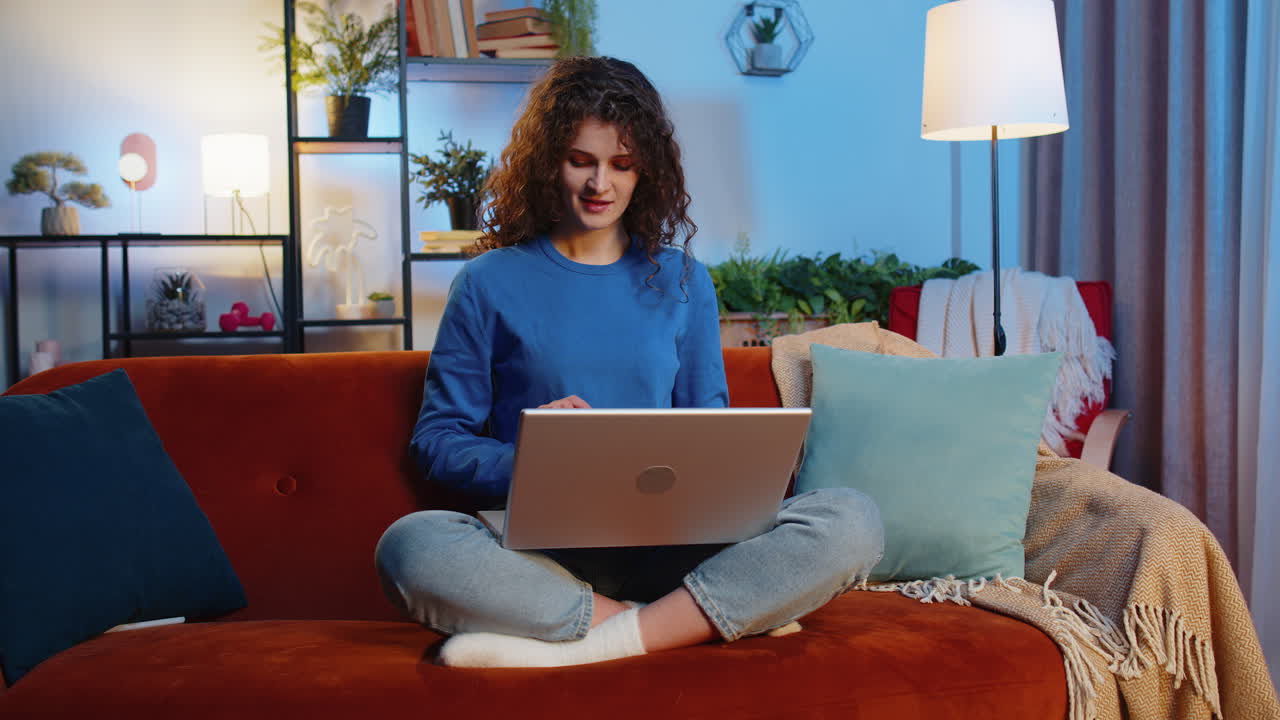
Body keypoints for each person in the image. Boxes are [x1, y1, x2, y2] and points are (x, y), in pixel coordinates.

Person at [375, 56, 884, 669]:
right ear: (547, 162)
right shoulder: (488, 283)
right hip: (540, 553)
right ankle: (687, 621)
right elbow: (437, 441)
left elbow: (709, 426)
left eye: (621, 165)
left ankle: (591, 638)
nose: (600, 185)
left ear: (647, 171)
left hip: (674, 546)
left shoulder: (683, 280)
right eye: (580, 161)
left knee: (852, 518)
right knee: (411, 545)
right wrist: (535, 457)